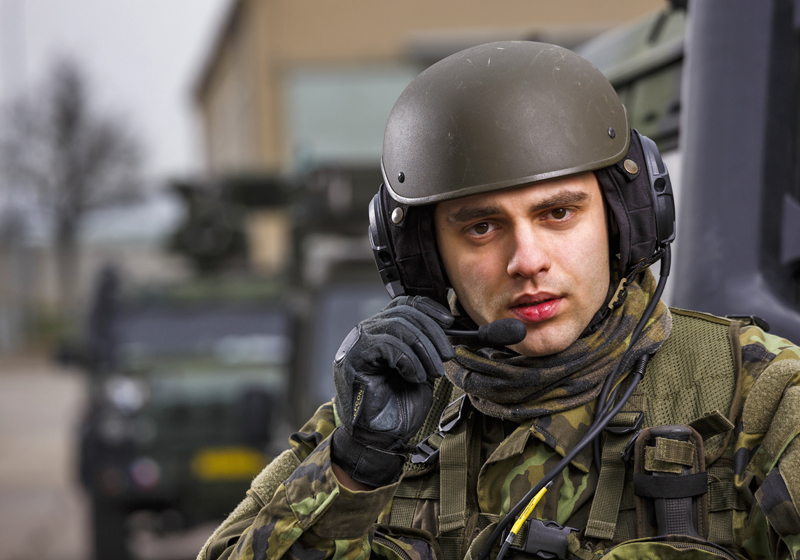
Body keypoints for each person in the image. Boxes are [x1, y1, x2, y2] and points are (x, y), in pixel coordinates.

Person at [199, 41, 800, 560]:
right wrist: (355, 473)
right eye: (481, 228)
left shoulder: (758, 397)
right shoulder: (375, 422)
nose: (527, 259)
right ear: (422, 257)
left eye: (558, 213)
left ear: (625, 220)